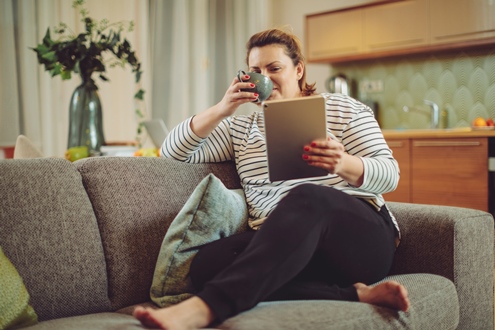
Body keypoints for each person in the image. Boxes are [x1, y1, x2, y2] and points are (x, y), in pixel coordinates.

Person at [134, 27, 410, 330]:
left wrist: (344, 164)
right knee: (206, 265)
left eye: (274, 68)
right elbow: (173, 152)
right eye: (255, 71)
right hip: (285, 247)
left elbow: (390, 174)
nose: (263, 77)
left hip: (356, 241)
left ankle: (204, 309)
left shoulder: (343, 109)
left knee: (308, 196)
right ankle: (353, 295)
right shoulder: (240, 131)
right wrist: (222, 109)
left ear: (298, 70)